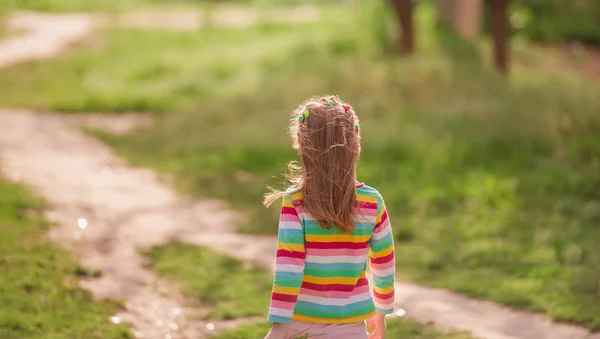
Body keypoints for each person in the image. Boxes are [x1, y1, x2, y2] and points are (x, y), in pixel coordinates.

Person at [263, 96, 396, 339]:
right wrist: (381, 311)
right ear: (355, 145)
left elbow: (289, 267)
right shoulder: (372, 202)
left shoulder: (295, 202)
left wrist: (279, 324)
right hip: (352, 327)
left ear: (302, 145)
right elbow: (383, 263)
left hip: (300, 324)